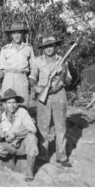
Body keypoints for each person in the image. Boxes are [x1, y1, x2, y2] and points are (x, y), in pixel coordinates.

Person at [29, 35, 72, 167]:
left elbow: (69, 81)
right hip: (44, 94)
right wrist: (36, 88)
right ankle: (43, 154)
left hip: (59, 94)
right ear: (43, 48)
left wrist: (64, 72)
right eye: (46, 46)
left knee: (61, 126)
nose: (49, 49)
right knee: (43, 125)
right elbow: (32, 77)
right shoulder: (37, 61)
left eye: (51, 46)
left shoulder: (62, 61)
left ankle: (62, 156)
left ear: (55, 46)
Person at [0, 89, 38, 181]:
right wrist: (1, 135)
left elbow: (33, 129)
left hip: (22, 146)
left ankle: (29, 171)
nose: (12, 105)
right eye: (9, 102)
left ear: (17, 104)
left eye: (14, 102)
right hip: (10, 147)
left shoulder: (22, 112)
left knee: (32, 137)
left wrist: (17, 134)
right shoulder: (0, 117)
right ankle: (9, 159)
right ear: (4, 104)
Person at [0, 20, 34, 107]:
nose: (17, 36)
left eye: (19, 33)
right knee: (7, 103)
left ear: (23, 34)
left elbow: (33, 67)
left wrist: (31, 82)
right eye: (14, 33)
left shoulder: (28, 48)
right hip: (8, 77)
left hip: (22, 77)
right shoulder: (5, 49)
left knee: (23, 103)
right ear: (11, 35)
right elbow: (1, 69)